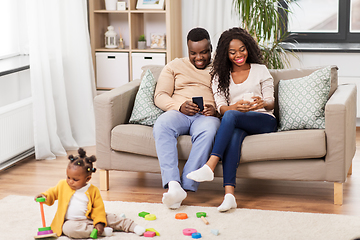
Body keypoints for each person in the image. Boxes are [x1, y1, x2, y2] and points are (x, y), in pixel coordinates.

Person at [187, 27, 278, 212]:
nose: (239, 55)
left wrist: (262, 102)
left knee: (230, 116)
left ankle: (210, 165)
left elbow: (271, 103)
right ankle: (229, 196)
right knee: (234, 134)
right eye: (233, 52)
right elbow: (221, 107)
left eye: (242, 49)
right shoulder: (220, 76)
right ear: (225, 54)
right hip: (238, 121)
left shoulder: (260, 70)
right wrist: (235, 108)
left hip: (264, 120)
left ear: (248, 48)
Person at [153, 27, 221, 209]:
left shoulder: (221, 67)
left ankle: (187, 185)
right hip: (179, 113)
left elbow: (229, 98)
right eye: (194, 53)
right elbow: (160, 95)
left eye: (204, 52)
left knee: (210, 131)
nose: (199, 58)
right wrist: (179, 106)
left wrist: (215, 110)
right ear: (188, 51)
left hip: (206, 116)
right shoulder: (174, 66)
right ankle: (173, 185)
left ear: (211, 49)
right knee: (162, 124)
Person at [34, 148, 146, 238]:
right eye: (68, 177)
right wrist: (44, 196)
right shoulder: (62, 184)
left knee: (111, 218)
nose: (70, 181)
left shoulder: (93, 190)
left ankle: (132, 226)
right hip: (71, 221)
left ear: (87, 179)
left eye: (75, 179)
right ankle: (100, 232)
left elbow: (98, 208)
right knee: (68, 229)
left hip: (90, 217)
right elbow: (52, 193)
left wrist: (99, 222)